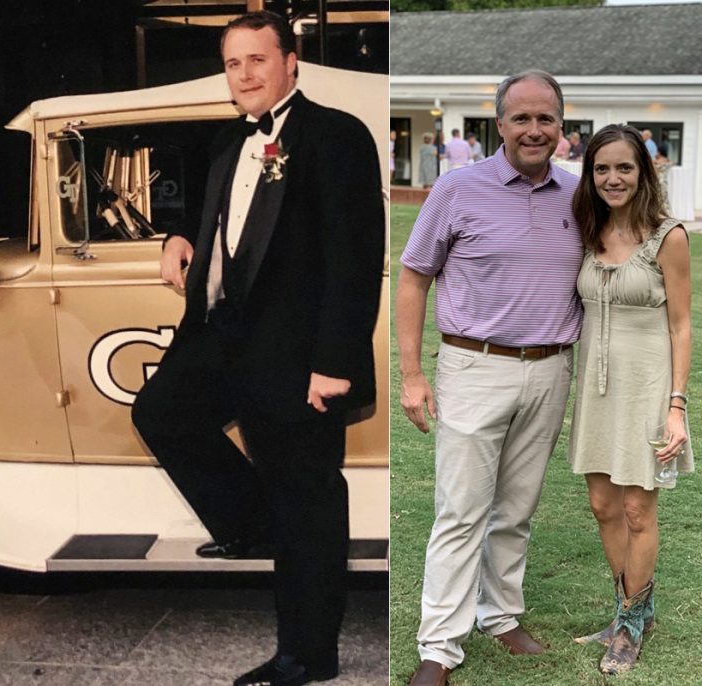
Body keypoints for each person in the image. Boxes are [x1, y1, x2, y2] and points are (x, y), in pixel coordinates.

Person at [132, 10, 383, 686]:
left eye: (256, 59)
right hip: (222, 337)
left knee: (307, 496)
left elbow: (356, 259)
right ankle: (253, 524)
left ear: (290, 61)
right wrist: (178, 235)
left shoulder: (336, 137)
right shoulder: (223, 142)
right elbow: (215, 212)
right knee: (161, 413)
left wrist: (333, 363)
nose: (244, 73)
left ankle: (308, 654)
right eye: (233, 63)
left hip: (298, 356)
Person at [397, 70, 582, 686]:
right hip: (473, 366)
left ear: (562, 126)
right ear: (498, 125)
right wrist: (412, 372)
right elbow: (414, 278)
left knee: (517, 508)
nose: (535, 129)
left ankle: (500, 615)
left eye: (546, 118)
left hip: (552, 369)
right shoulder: (456, 189)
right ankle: (440, 646)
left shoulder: (577, 195)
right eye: (522, 118)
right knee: (461, 511)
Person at [565, 124, 692, 674]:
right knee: (602, 507)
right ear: (589, 175)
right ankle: (630, 609)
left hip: (647, 390)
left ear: (643, 172)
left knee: (639, 510)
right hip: (596, 392)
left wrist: (677, 406)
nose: (612, 178)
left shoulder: (669, 236)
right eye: (601, 169)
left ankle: (630, 626)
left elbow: (683, 325)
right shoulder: (585, 231)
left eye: (624, 167)